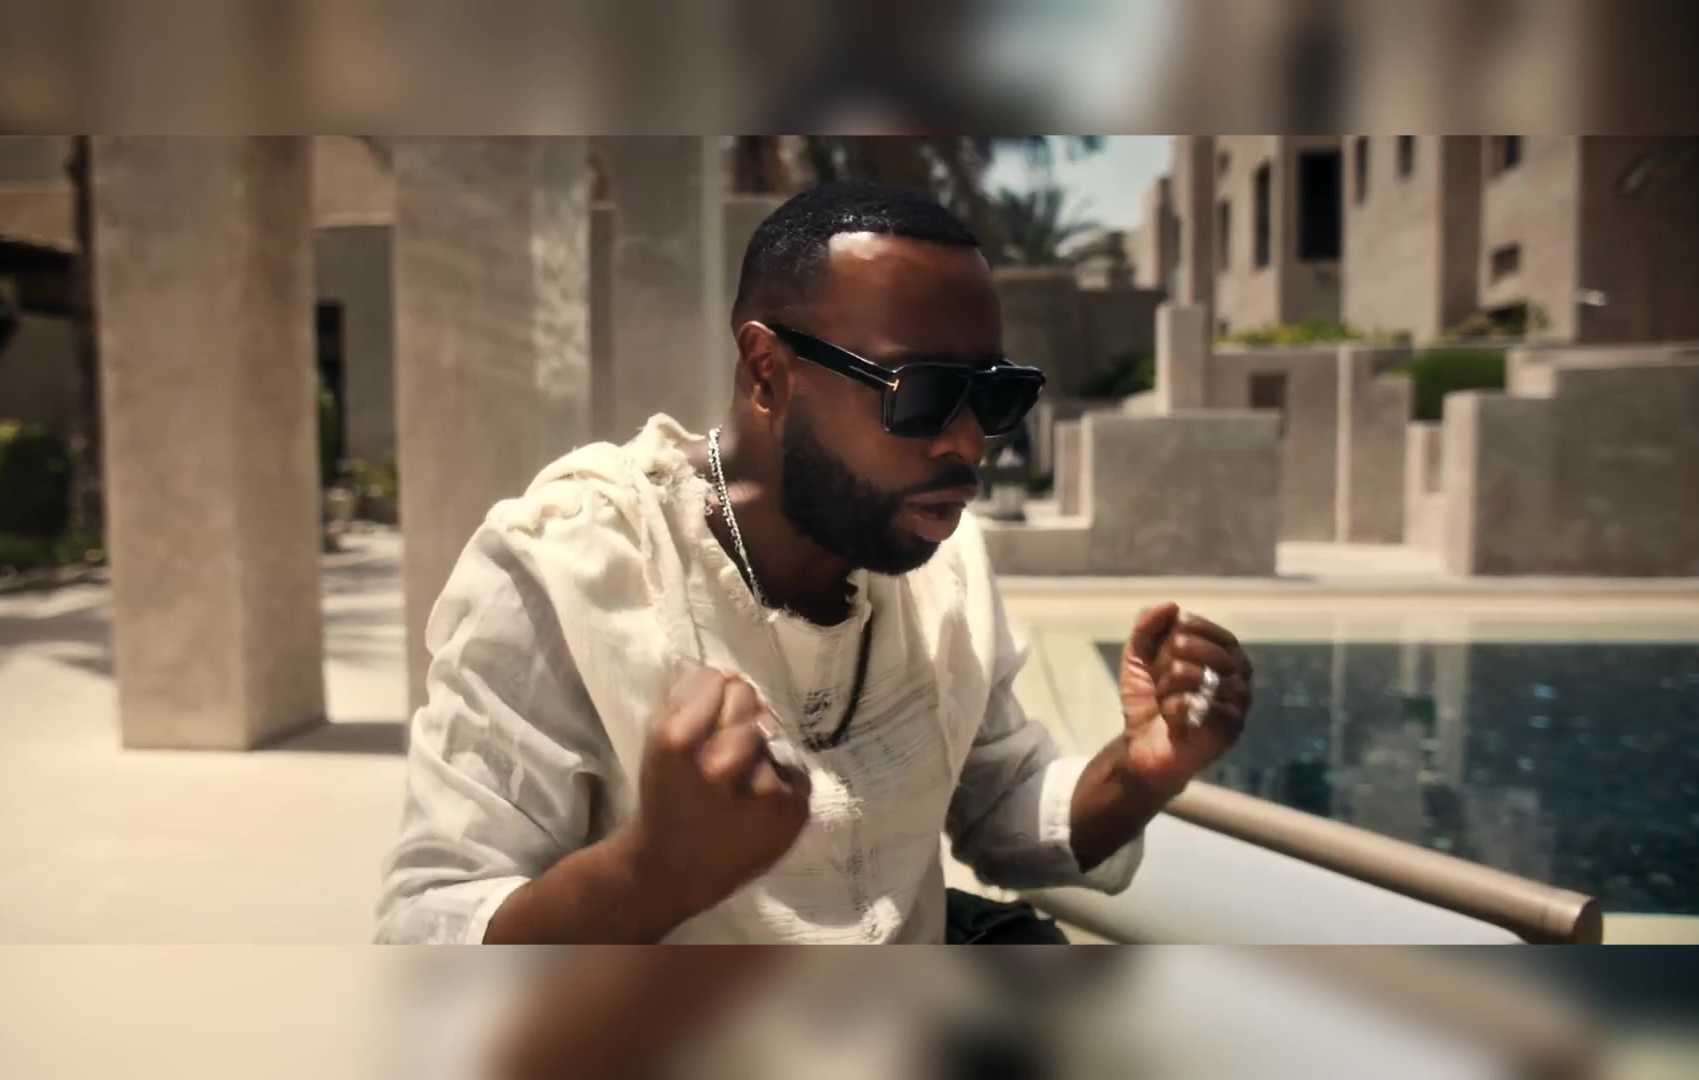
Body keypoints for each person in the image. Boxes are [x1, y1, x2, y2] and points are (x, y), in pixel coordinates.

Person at [376, 180, 1253, 946]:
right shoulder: (566, 566)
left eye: (994, 396)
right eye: (922, 394)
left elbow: (1001, 804)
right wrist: (655, 870)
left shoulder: (942, 560)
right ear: (768, 371)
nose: (967, 442)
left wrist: (1142, 770)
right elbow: (431, 928)